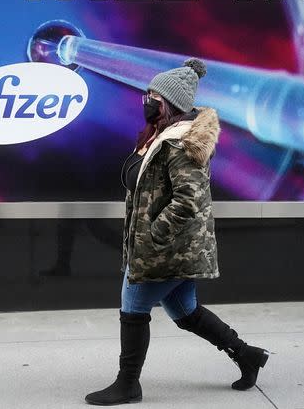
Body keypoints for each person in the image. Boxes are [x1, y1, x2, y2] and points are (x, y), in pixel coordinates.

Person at [85, 58, 269, 406]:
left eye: (154, 95)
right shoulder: (161, 136)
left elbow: (190, 199)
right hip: (170, 247)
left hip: (167, 247)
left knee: (133, 309)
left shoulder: (182, 143)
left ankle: (128, 384)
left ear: (169, 102)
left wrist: (153, 234)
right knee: (185, 313)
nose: (147, 100)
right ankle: (246, 355)